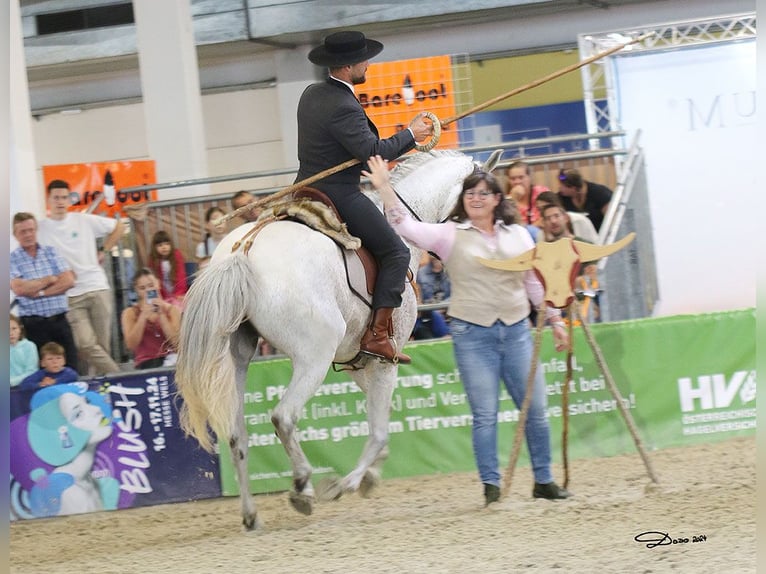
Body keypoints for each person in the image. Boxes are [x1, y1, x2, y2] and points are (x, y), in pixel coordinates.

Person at [364, 154, 571, 505]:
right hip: (473, 336)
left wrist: (556, 321)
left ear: (496, 199)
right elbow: (402, 224)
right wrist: (384, 188)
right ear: (463, 200)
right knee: (485, 414)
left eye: (483, 193)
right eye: (470, 193)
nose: (476, 198)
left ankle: (544, 480)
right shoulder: (449, 235)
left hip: (518, 330)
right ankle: (491, 485)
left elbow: (534, 284)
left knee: (535, 408)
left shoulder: (520, 235)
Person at [296, 30, 433, 364]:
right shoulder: (344, 105)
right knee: (397, 252)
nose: (368, 64)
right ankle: (378, 334)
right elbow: (373, 154)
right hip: (339, 191)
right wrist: (411, 135)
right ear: (346, 67)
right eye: (363, 60)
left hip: (304, 187)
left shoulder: (311, 94)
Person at [37, 180, 124, 376]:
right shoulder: (41, 229)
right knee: (85, 344)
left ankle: (103, 389)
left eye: (64, 197)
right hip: (70, 294)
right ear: (48, 200)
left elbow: (119, 227)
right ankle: (120, 377)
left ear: (69, 199)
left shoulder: (83, 220)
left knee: (102, 346)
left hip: (97, 286)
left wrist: (104, 250)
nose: (60, 202)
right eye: (56, 197)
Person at [25, 383, 118, 516]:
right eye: (78, 414)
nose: (96, 409)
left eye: (87, 402)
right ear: (62, 432)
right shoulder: (68, 490)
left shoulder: (88, 481)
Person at [10, 212, 79, 371]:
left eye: (31, 230)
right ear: (15, 234)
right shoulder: (11, 259)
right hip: (33, 325)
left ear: (36, 229)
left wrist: (39, 292)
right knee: (41, 373)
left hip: (59, 321)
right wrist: (49, 279)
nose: (28, 234)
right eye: (23, 231)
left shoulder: (51, 252)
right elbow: (20, 288)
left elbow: (69, 281)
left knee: (71, 368)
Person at [120, 268, 181, 370]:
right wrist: (143, 316)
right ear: (137, 290)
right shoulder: (130, 313)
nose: (148, 291)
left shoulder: (172, 310)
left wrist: (162, 315)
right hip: (146, 363)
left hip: (171, 361)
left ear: (158, 284)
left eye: (151, 286)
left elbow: (176, 343)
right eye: (142, 288)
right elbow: (131, 345)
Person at [557, 168, 613, 232]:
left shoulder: (601, 194)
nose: (559, 187)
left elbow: (612, 220)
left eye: (563, 185)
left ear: (574, 188)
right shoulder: (560, 198)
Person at [148, 230, 188, 308]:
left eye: (167, 244)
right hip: (162, 296)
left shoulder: (176, 255)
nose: (164, 247)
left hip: (178, 294)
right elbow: (152, 281)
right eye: (160, 245)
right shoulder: (152, 260)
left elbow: (181, 277)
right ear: (154, 247)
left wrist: (178, 294)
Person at [506, 160, 549, 226]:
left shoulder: (542, 192)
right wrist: (513, 200)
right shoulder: (506, 201)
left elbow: (550, 215)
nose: (517, 182)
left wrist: (530, 229)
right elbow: (510, 225)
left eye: (521, 177)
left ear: (529, 177)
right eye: (513, 179)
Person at [10, 313, 39, 387]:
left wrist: (12, 382)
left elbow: (32, 371)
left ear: (20, 329)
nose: (11, 333)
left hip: (26, 386)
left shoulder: (29, 346)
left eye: (14, 328)